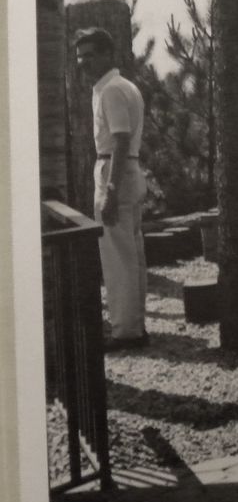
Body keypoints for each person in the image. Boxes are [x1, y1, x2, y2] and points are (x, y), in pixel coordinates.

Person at [74, 27, 148, 351]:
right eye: (80, 57)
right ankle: (134, 327)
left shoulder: (112, 91)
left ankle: (125, 333)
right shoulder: (120, 86)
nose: (83, 63)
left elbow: (119, 139)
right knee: (131, 253)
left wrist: (110, 189)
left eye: (90, 56)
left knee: (118, 257)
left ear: (107, 54)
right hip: (127, 167)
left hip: (115, 169)